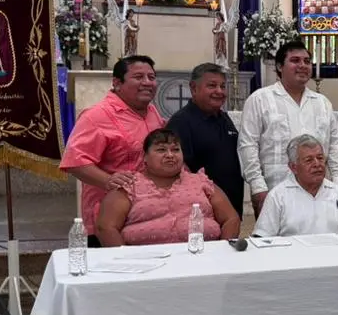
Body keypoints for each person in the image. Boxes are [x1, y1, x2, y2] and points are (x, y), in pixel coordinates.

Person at [60, 55, 164, 243]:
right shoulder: (97, 116)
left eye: (151, 77)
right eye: (139, 77)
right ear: (117, 83)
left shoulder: (152, 112)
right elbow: (75, 162)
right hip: (107, 219)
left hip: (146, 215)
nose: (147, 83)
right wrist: (109, 180)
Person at [239, 40, 338, 217]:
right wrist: (258, 187)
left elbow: (335, 146)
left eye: (306, 61)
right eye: (295, 60)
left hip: (319, 191)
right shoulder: (260, 99)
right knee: (276, 243)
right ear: (280, 66)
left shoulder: (322, 103)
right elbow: (248, 145)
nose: (303, 65)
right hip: (275, 189)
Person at [96, 129, 241, 246]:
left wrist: (222, 253)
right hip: (143, 267)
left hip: (203, 261)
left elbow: (231, 219)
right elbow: (107, 227)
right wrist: (126, 262)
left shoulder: (201, 182)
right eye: (161, 150)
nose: (170, 155)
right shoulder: (129, 185)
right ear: (144, 157)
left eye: (176, 150)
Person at [167, 63, 244, 214]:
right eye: (212, 86)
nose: (219, 91)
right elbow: (179, 169)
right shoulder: (181, 122)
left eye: (222, 86)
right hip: (202, 208)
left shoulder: (224, 117)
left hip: (231, 204)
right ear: (194, 88)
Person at [253, 135, 338, 237]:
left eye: (320, 158)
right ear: (293, 167)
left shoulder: (337, 193)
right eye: (309, 160)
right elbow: (262, 238)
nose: (317, 164)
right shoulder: (277, 196)